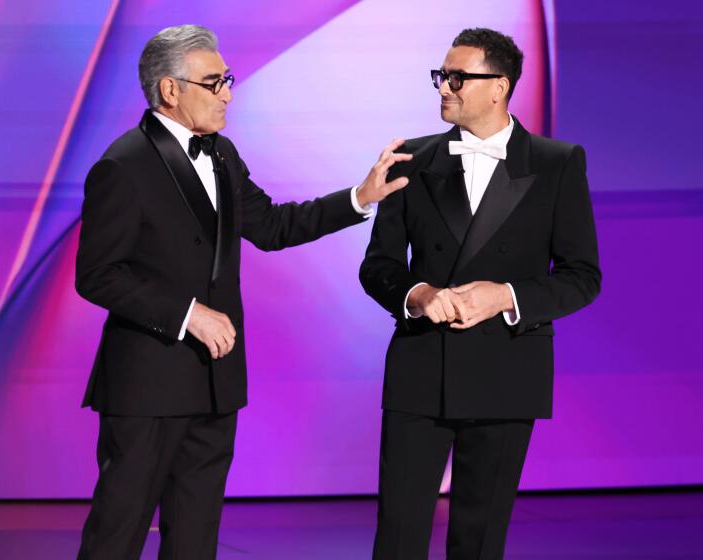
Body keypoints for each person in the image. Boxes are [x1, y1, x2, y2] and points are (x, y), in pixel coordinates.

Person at [75, 24, 410, 560]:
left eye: (227, 79)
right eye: (216, 82)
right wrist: (189, 315)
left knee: (195, 539)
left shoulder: (223, 154)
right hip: (148, 386)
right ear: (171, 90)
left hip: (215, 382)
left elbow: (274, 227)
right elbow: (97, 273)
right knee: (118, 532)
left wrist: (359, 197)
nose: (229, 92)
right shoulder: (123, 164)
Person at [360, 27, 601, 559]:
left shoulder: (556, 163)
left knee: (480, 539)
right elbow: (377, 267)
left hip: (506, 372)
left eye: (457, 77)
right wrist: (417, 292)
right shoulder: (410, 161)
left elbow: (582, 276)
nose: (444, 87)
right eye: (441, 76)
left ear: (499, 87)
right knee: (397, 536)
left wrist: (504, 296)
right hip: (421, 369)